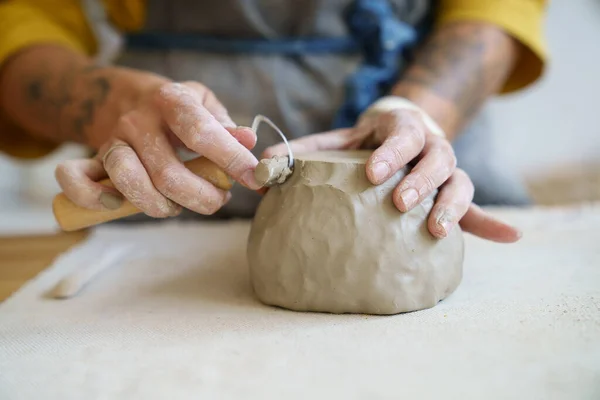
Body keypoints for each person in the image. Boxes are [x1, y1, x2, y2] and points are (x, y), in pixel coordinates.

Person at [0, 0, 547, 243]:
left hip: (420, 142)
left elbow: (499, 7)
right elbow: (21, 19)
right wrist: (114, 102)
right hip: (168, 163)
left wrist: (416, 110)